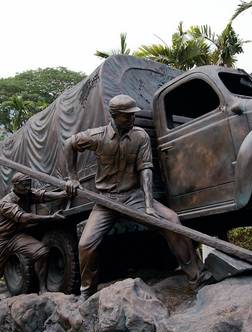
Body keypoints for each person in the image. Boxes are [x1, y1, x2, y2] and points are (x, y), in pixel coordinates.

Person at [64, 94, 209, 299]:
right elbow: (69, 144)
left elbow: (146, 170)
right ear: (114, 116)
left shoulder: (140, 136)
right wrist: (72, 177)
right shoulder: (97, 136)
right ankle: (87, 292)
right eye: (127, 116)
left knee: (172, 221)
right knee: (85, 244)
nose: (132, 119)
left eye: (133, 115)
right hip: (106, 201)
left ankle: (197, 278)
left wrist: (149, 205)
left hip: (134, 197)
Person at [0, 172, 70, 304]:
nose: (28, 187)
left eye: (29, 183)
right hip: (2, 239)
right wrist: (51, 218)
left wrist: (63, 194)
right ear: (15, 185)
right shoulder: (6, 203)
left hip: (16, 237)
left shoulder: (27, 193)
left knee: (42, 252)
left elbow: (43, 196)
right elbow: (24, 217)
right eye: (24, 184)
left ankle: (42, 288)